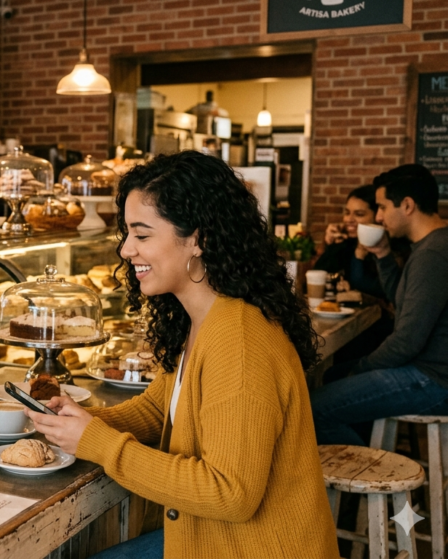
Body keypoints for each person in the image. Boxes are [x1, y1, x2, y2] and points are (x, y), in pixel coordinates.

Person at [26, 151, 338, 558]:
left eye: (141, 235)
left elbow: (230, 493)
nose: (125, 250)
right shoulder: (205, 316)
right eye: (127, 234)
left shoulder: (239, 340)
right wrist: (74, 422)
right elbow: (159, 413)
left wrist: (99, 443)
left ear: (198, 239)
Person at [312, 164, 448, 446]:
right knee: (334, 374)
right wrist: (383, 253)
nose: (379, 216)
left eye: (383, 207)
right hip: (430, 371)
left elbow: (406, 342)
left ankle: (365, 476)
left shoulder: (432, 254)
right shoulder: (431, 245)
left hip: (433, 380)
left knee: (311, 410)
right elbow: (402, 297)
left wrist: (362, 368)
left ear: (407, 205)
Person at [314, 184, 386, 300]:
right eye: (347, 213)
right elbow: (318, 275)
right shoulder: (346, 243)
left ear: (377, 217)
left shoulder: (387, 249)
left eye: (359, 214)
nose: (349, 220)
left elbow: (381, 291)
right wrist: (328, 244)